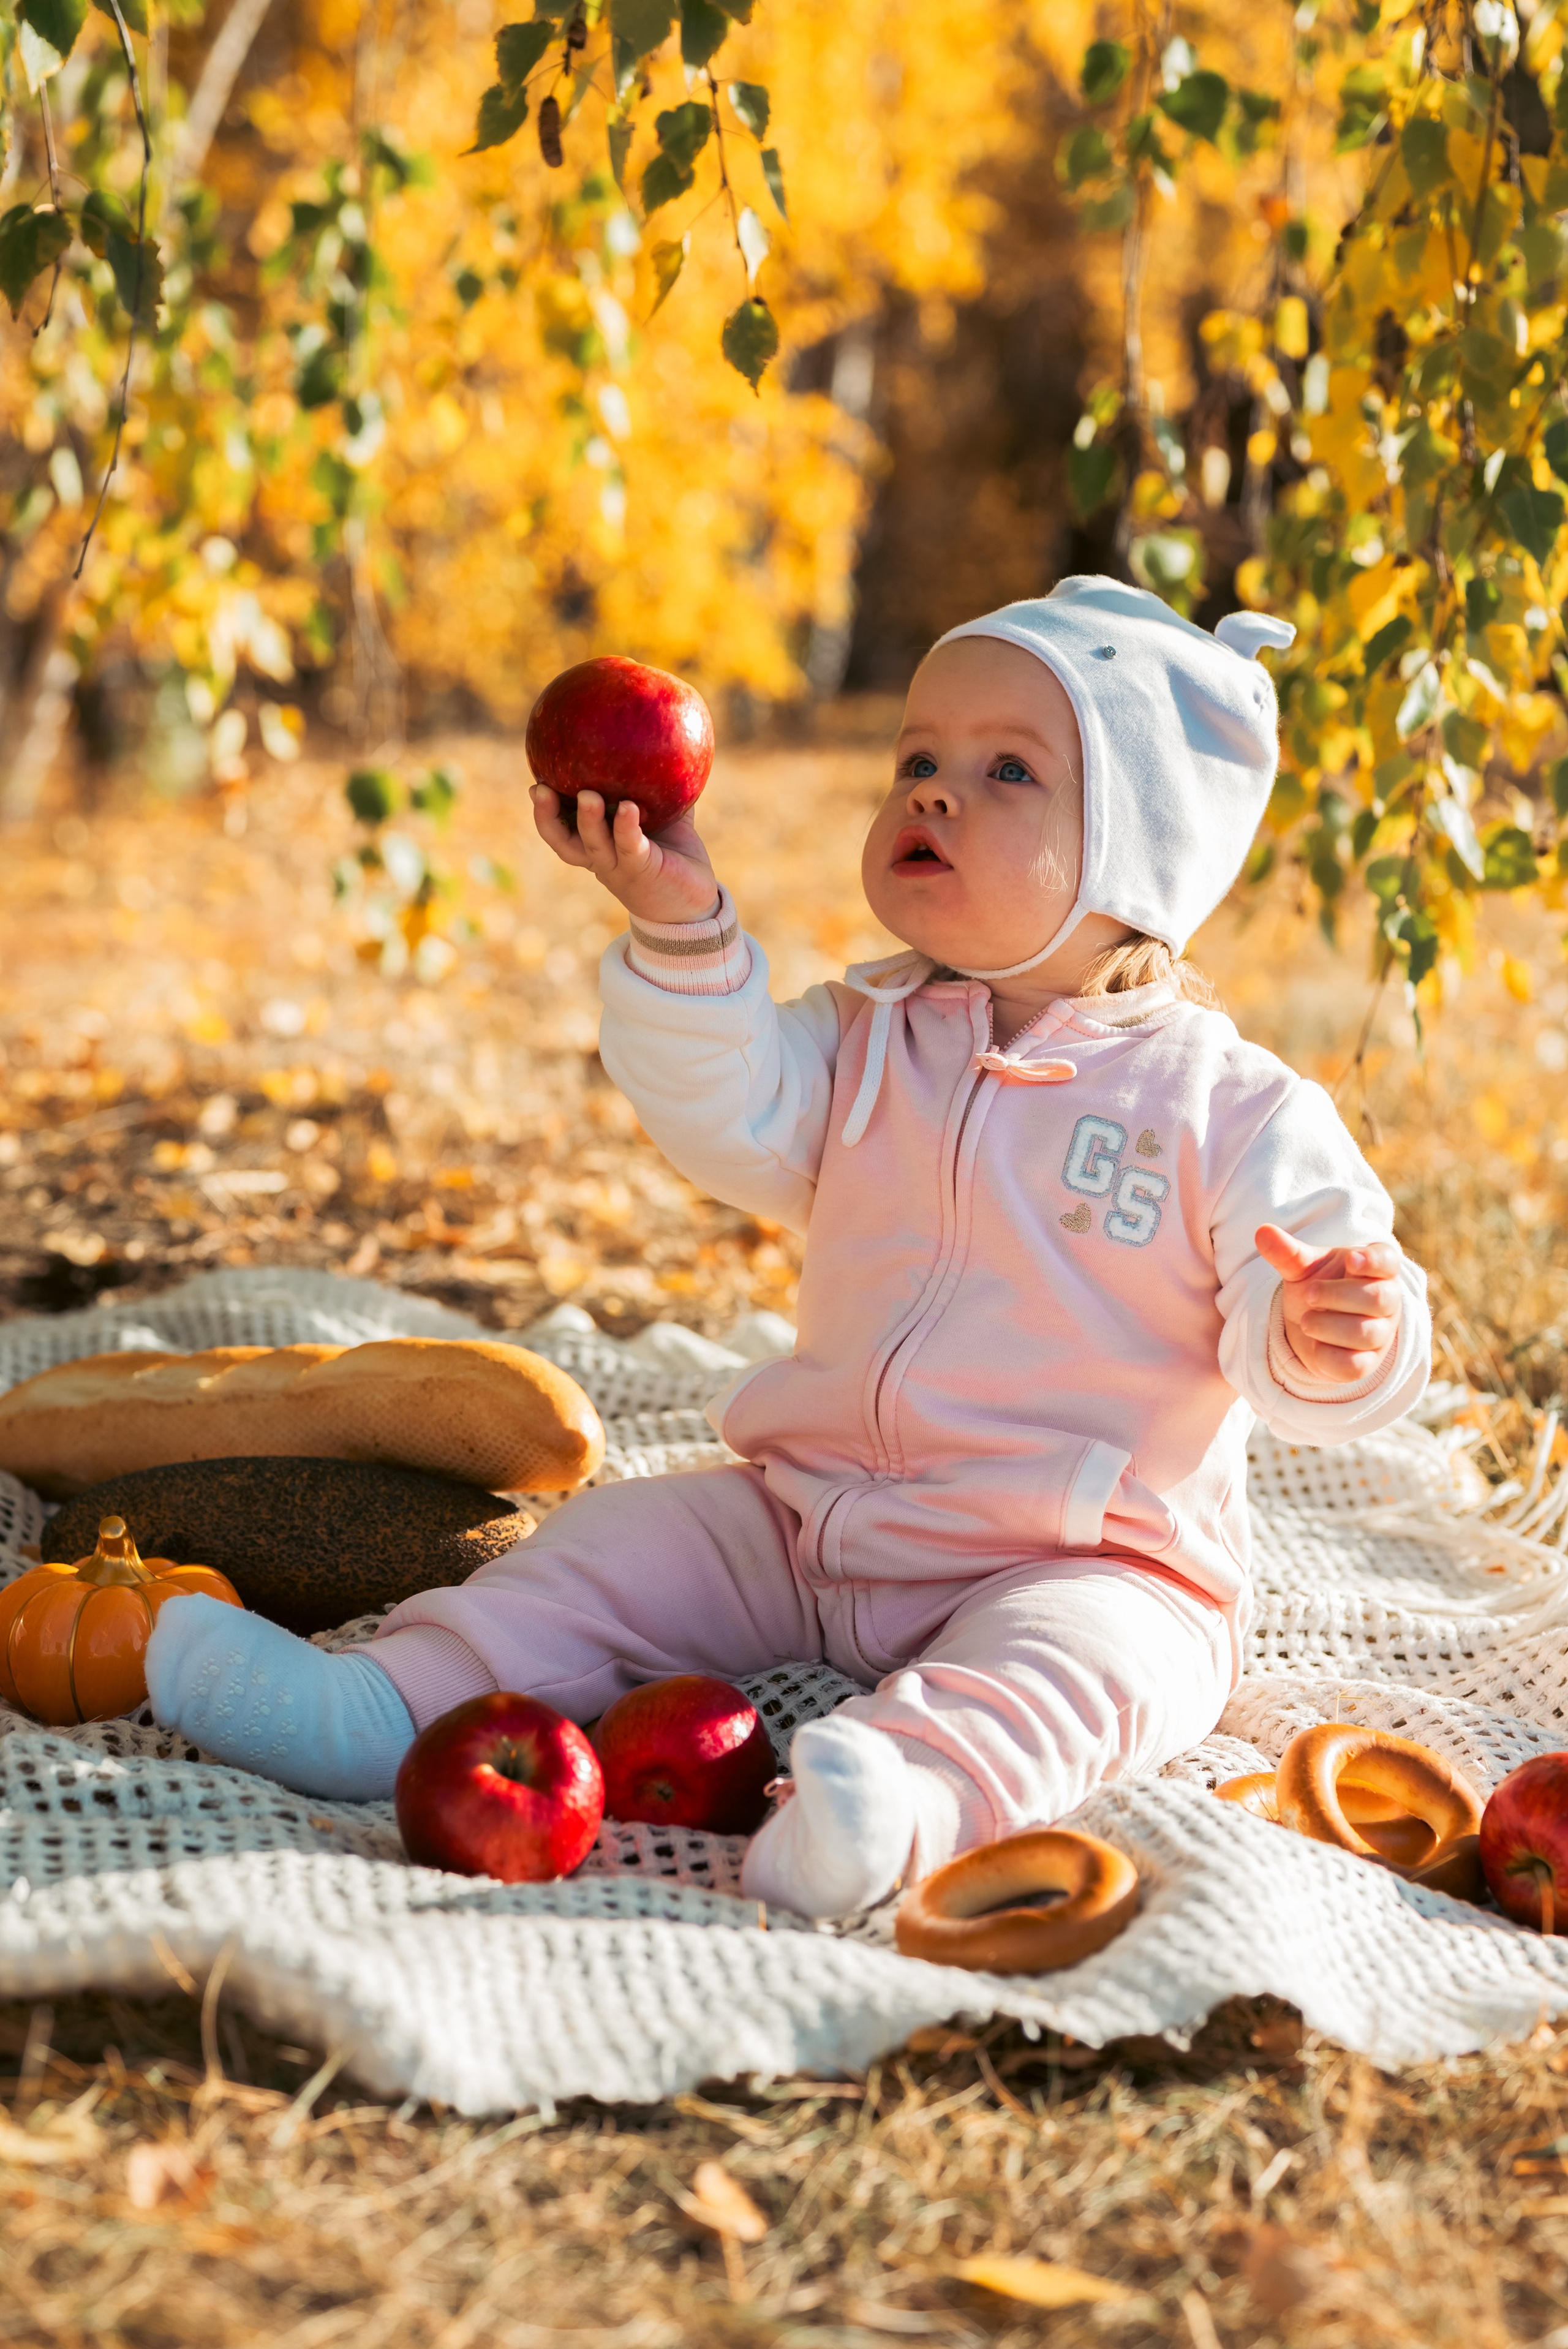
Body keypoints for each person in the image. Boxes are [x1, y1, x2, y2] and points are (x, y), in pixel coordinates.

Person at [146, 578, 1430, 1918]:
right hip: (815, 1516)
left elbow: (1322, 1300)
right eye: (917, 761)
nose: (936, 794)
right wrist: (679, 922)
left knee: (1080, 1675)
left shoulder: (1229, 1107)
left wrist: (1335, 1334)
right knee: (613, 1546)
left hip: (1083, 1556)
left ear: (1139, 854)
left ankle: (895, 1801)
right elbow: (728, 1109)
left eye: (1007, 771)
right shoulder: (867, 1035)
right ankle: (382, 1704)